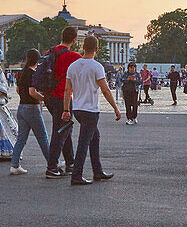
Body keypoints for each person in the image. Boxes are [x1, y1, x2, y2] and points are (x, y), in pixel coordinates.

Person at [62, 35, 121, 185]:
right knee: (84, 141)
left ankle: (98, 171)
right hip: (91, 109)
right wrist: (115, 108)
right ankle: (77, 175)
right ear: (96, 49)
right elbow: (106, 90)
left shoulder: (73, 66)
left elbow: (67, 90)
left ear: (83, 47)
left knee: (94, 137)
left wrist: (66, 109)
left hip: (78, 108)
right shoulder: (96, 67)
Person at [43, 27, 81, 178]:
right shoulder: (74, 56)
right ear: (74, 39)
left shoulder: (49, 52)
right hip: (62, 97)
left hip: (48, 96)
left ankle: (70, 162)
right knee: (60, 131)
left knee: (64, 128)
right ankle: (52, 166)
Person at [10, 48, 49, 174]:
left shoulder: (22, 72)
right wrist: (45, 99)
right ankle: (52, 163)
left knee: (21, 138)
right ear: (38, 60)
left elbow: (18, 90)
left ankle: (14, 165)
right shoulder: (33, 73)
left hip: (21, 107)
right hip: (32, 108)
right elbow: (32, 92)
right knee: (42, 137)